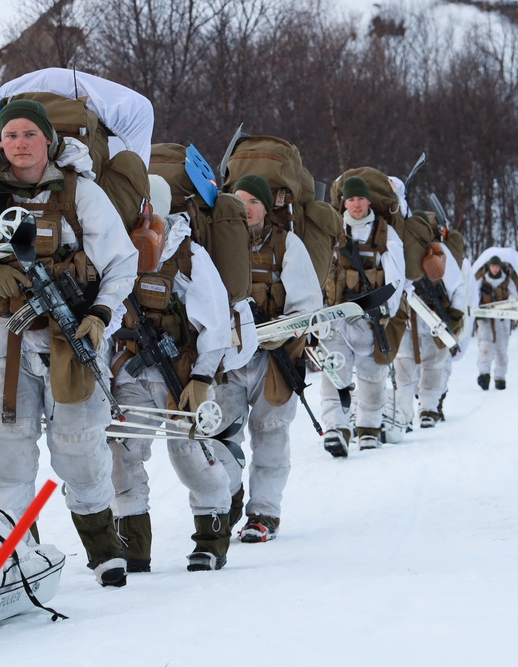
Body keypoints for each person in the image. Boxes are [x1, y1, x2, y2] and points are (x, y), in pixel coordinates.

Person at [0, 100, 138, 587]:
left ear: (47, 140)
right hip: (5, 339)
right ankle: (18, 556)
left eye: (28, 135)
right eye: (10, 136)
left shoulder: (80, 192)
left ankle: (104, 549)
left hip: (70, 336)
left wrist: (101, 313)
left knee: (81, 446)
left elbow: (121, 263)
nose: (19, 145)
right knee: (6, 450)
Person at [108, 174, 238, 572]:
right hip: (130, 373)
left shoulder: (189, 256)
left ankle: (211, 538)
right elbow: (107, 315)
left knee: (189, 455)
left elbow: (215, 325)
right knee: (122, 454)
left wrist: (201, 378)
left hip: (180, 375)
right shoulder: (116, 250)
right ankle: (132, 546)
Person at [210, 173, 321, 542]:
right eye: (239, 200)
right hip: (226, 358)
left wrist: (282, 330)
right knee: (220, 434)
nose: (246, 208)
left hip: (273, 361)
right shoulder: (218, 242)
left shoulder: (287, 244)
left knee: (270, 434)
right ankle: (227, 500)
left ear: (267, 207)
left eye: (254, 201)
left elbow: (306, 303)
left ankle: (264, 513)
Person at [320, 176, 406, 455]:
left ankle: (369, 429)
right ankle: (337, 429)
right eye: (350, 199)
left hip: (372, 318)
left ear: (369, 200)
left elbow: (396, 274)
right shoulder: (333, 228)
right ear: (344, 202)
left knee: (372, 378)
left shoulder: (384, 233)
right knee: (334, 374)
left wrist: (387, 311)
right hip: (338, 316)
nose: (356, 204)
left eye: (360, 198)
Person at [394, 231, 466, 429]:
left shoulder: (438, 253)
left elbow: (457, 287)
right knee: (405, 364)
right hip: (407, 314)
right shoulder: (398, 247)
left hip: (434, 317)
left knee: (432, 365)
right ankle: (406, 411)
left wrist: (454, 316)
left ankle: (428, 408)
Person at [473, 256, 518, 389]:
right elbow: (474, 298)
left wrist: (510, 301)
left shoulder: (507, 281)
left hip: (502, 320)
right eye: (492, 266)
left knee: (501, 350)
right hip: (486, 320)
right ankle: (484, 375)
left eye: (497, 266)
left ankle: (500, 378)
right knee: (485, 347)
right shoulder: (482, 280)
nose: (494, 269)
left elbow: (515, 297)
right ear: (489, 266)